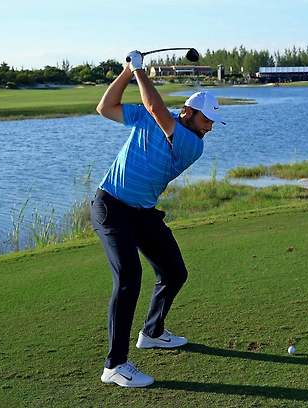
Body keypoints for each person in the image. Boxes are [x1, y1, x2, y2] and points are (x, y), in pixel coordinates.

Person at [91, 50, 225, 388]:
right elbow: (105, 108)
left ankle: (152, 332)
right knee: (129, 277)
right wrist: (126, 72)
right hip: (112, 206)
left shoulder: (192, 144)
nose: (209, 127)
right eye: (205, 119)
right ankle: (115, 365)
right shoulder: (153, 118)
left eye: (211, 122)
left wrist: (138, 69)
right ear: (188, 112)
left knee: (174, 272)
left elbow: (155, 108)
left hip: (143, 213)